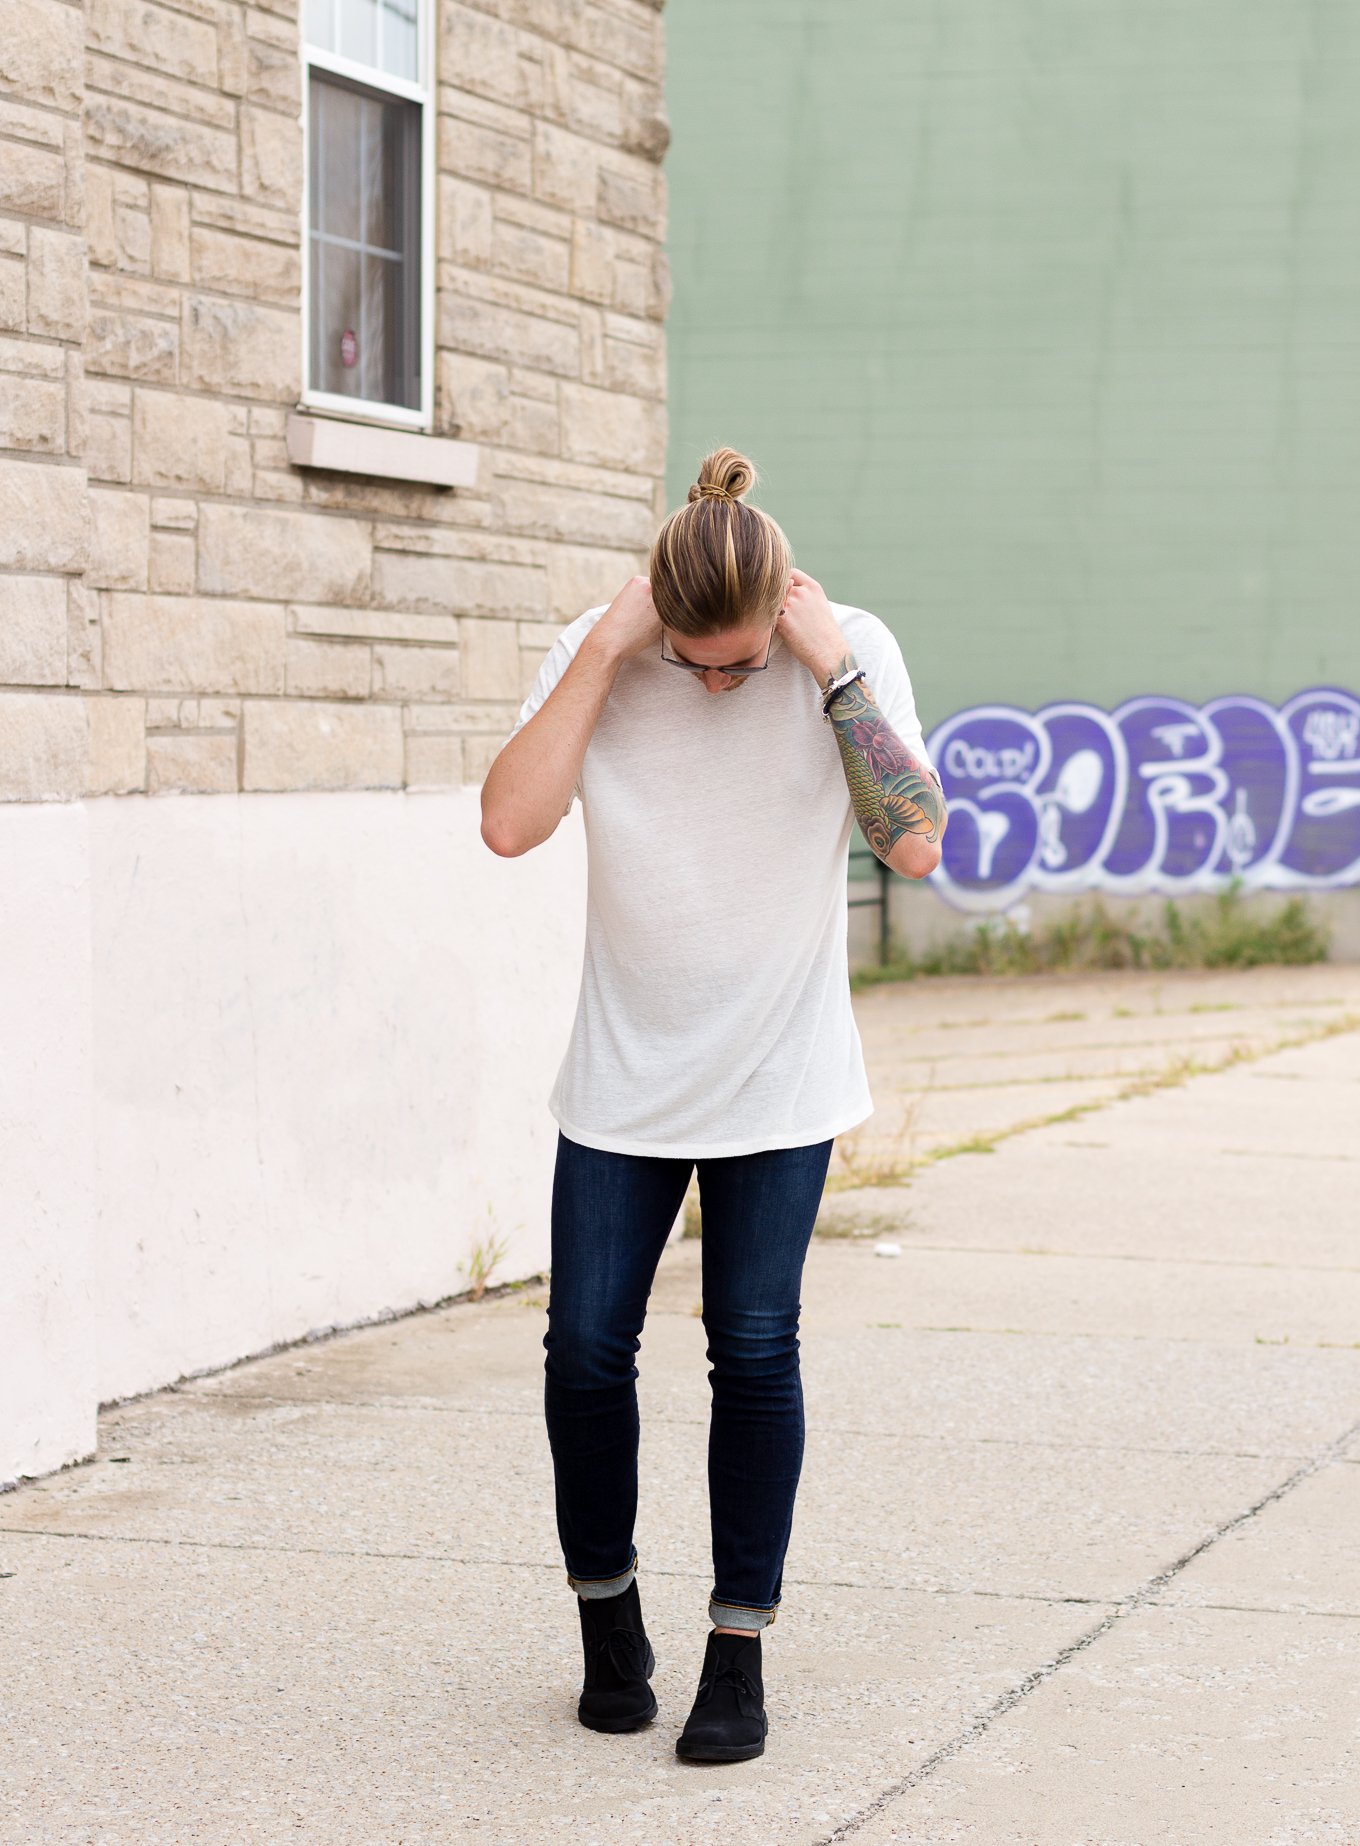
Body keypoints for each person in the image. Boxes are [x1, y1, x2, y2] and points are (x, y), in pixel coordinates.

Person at [480, 446, 947, 1763]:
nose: (726, 680)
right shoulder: (610, 650)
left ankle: (737, 1649)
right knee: (583, 1350)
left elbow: (914, 839)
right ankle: (606, 1614)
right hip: (625, 1079)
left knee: (753, 1348)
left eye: (745, 658)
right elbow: (510, 823)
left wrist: (830, 671)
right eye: (702, 661)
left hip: (780, 1076)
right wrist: (609, 651)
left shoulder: (843, 650)